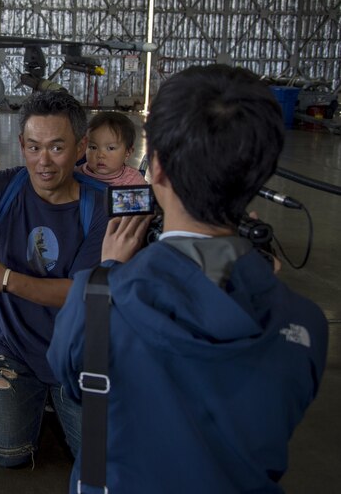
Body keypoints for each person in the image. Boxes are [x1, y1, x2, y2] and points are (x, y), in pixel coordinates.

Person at [47, 64, 329, 493]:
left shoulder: (98, 302)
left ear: (156, 170)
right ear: (260, 174)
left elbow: (70, 379)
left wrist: (107, 271)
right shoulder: (305, 324)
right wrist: (262, 285)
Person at [0, 90, 109, 467]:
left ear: (81, 145)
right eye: (34, 147)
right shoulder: (3, 188)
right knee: (8, 454)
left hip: (77, 353)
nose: (44, 162)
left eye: (57, 147)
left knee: (99, 460)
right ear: (21, 144)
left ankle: (57, 397)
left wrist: (3, 279)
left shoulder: (100, 207)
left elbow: (81, 294)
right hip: (14, 350)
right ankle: (32, 392)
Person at [77, 111, 147, 186]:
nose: (100, 155)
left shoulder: (134, 181)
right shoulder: (76, 175)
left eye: (110, 148)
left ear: (128, 152)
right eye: (93, 147)